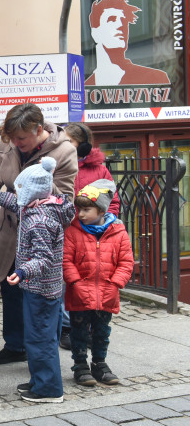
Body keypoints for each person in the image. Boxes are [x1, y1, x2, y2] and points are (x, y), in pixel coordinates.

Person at [0, 104, 77, 366]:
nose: (15, 143)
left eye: (21, 139)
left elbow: (65, 199)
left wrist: (39, 181)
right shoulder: (10, 143)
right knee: (10, 287)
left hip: (40, 233)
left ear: (39, 130)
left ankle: (43, 355)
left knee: (41, 296)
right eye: (12, 138)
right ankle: (15, 345)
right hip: (11, 230)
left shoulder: (64, 150)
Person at [0, 157, 75, 403]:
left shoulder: (39, 221)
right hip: (41, 288)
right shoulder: (40, 205)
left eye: (21, 189)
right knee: (36, 337)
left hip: (41, 289)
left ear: (31, 192)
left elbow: (43, 258)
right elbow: (15, 201)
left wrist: (23, 271)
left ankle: (49, 389)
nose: (18, 194)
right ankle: (39, 380)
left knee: (41, 339)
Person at [63, 180, 134, 387]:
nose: (81, 214)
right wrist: (75, 282)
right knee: (79, 331)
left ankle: (100, 363)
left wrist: (115, 284)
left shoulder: (118, 232)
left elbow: (126, 262)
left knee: (102, 331)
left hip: (107, 292)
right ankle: (80, 365)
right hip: (79, 292)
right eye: (80, 210)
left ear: (101, 210)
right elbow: (66, 260)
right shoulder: (73, 231)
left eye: (87, 209)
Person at [59, 122, 120, 349]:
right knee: (68, 279)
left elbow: (112, 200)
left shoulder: (98, 169)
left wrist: (103, 222)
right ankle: (68, 327)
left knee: (89, 276)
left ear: (82, 146)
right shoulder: (59, 164)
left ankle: (94, 325)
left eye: (70, 142)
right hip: (67, 231)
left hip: (92, 233)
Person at [85, 0, 170, 86]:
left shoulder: (156, 78)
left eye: (124, 20)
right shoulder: (86, 88)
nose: (120, 24)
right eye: (112, 19)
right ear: (95, 33)